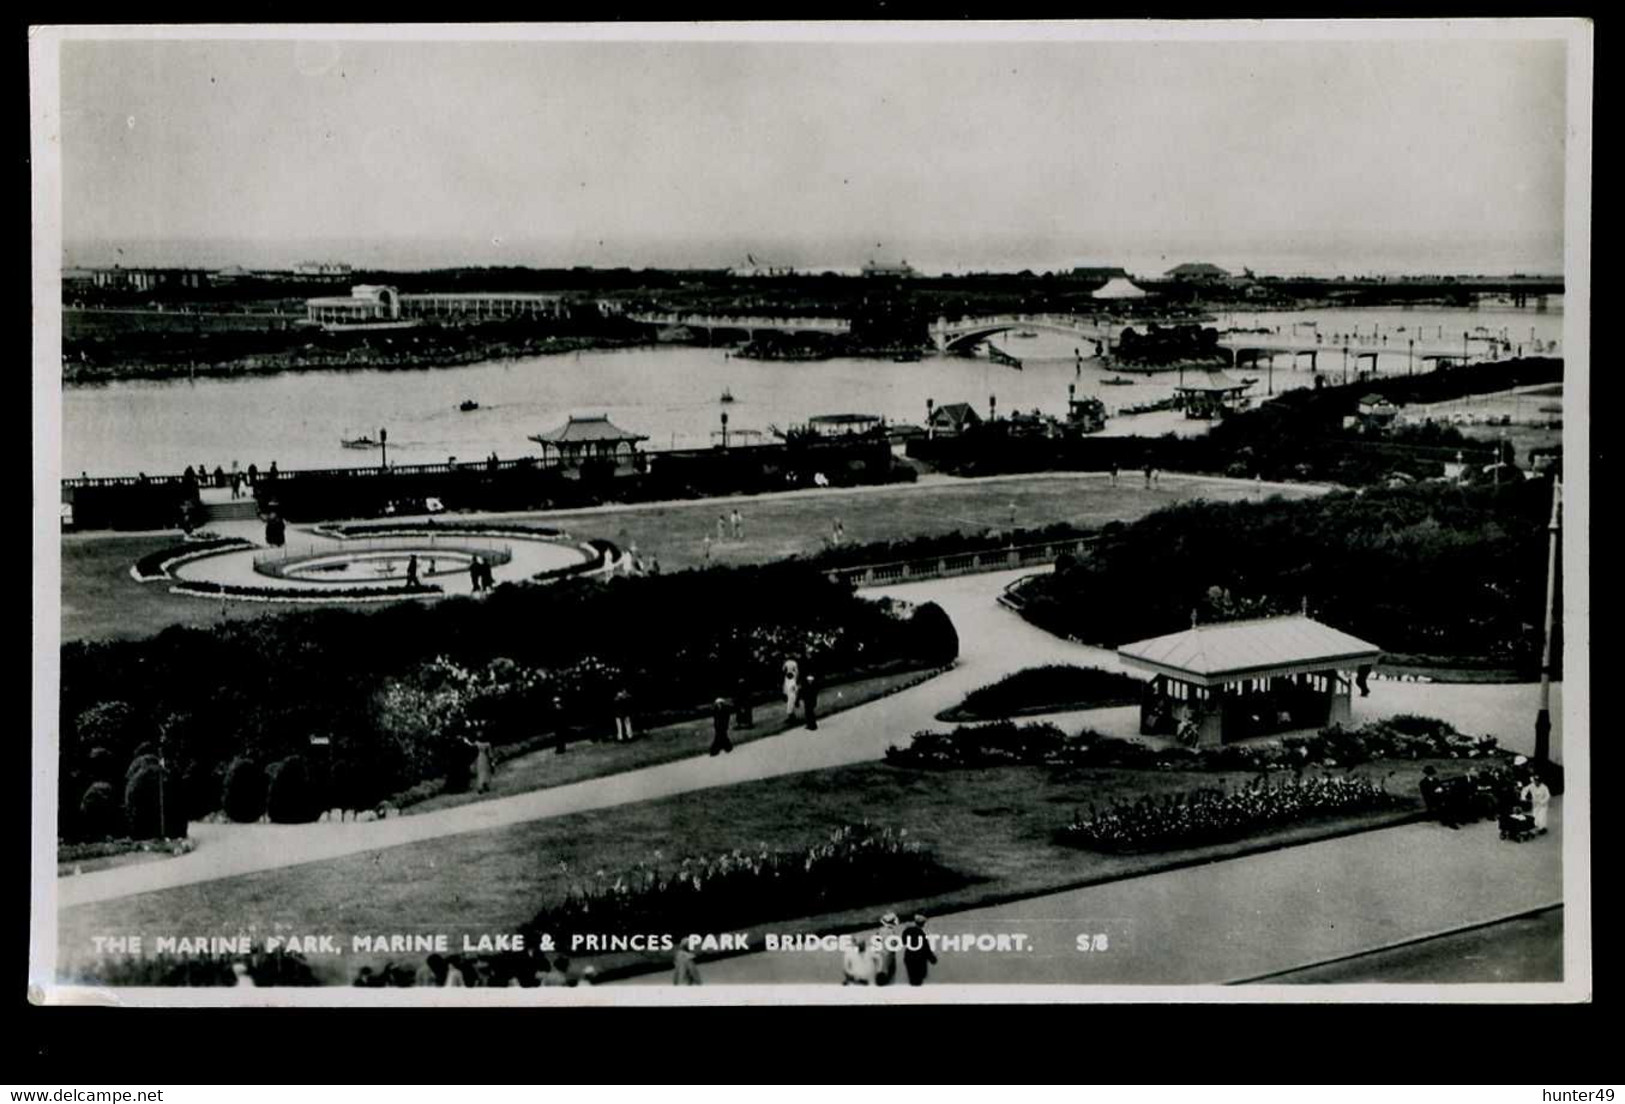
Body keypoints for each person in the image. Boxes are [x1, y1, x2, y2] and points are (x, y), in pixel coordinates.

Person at [902, 913, 938, 986]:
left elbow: (904, 942)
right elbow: (926, 949)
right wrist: (932, 959)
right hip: (919, 960)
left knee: (912, 978)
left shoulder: (908, 930)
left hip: (909, 957)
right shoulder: (921, 934)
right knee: (918, 979)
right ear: (923, 924)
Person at [871, 914, 900, 986]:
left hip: (880, 954)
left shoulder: (879, 931)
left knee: (880, 968)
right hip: (888, 954)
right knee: (889, 971)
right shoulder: (892, 932)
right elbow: (894, 945)